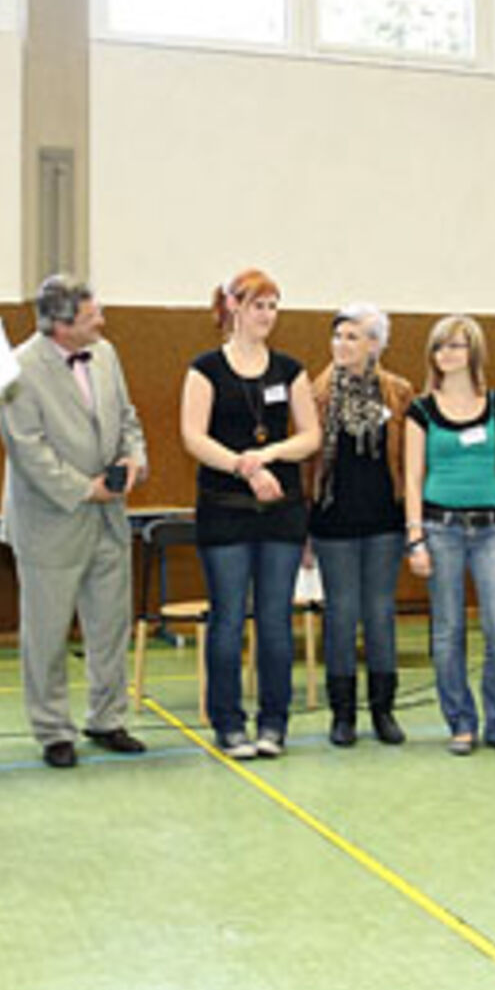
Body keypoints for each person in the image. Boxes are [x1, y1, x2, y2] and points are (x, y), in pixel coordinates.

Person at [0, 275, 149, 768]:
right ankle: (52, 730)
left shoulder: (105, 354)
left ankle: (108, 718)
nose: (102, 321)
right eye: (91, 316)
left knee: (110, 626)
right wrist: (85, 488)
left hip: (109, 517)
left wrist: (133, 461)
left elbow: (127, 417)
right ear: (61, 326)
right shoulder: (19, 367)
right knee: (46, 634)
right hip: (50, 521)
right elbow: (27, 448)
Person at [179, 269, 320, 759]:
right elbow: (193, 436)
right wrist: (245, 466)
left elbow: (310, 436)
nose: (267, 315)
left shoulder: (290, 370)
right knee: (228, 618)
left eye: (274, 306)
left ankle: (274, 724)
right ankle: (229, 723)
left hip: (281, 513)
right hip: (226, 511)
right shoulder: (205, 369)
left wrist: (271, 454)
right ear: (234, 306)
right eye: (259, 305)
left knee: (276, 619)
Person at [403, 315, 495, 756]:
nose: (447, 354)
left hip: (493, 529)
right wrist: (415, 538)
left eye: (456, 345)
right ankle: (460, 722)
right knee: (448, 630)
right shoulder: (421, 410)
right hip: (440, 529)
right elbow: (413, 476)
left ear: (473, 352)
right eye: (440, 346)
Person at [307, 304, 414, 748]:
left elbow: (408, 459)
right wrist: (305, 528)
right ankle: (343, 713)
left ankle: (383, 710)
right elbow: (308, 463)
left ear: (375, 344)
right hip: (333, 520)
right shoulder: (315, 393)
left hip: (384, 519)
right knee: (341, 613)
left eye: (352, 336)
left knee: (380, 613)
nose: (341, 344)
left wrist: (413, 519)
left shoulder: (398, 392)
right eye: (337, 336)